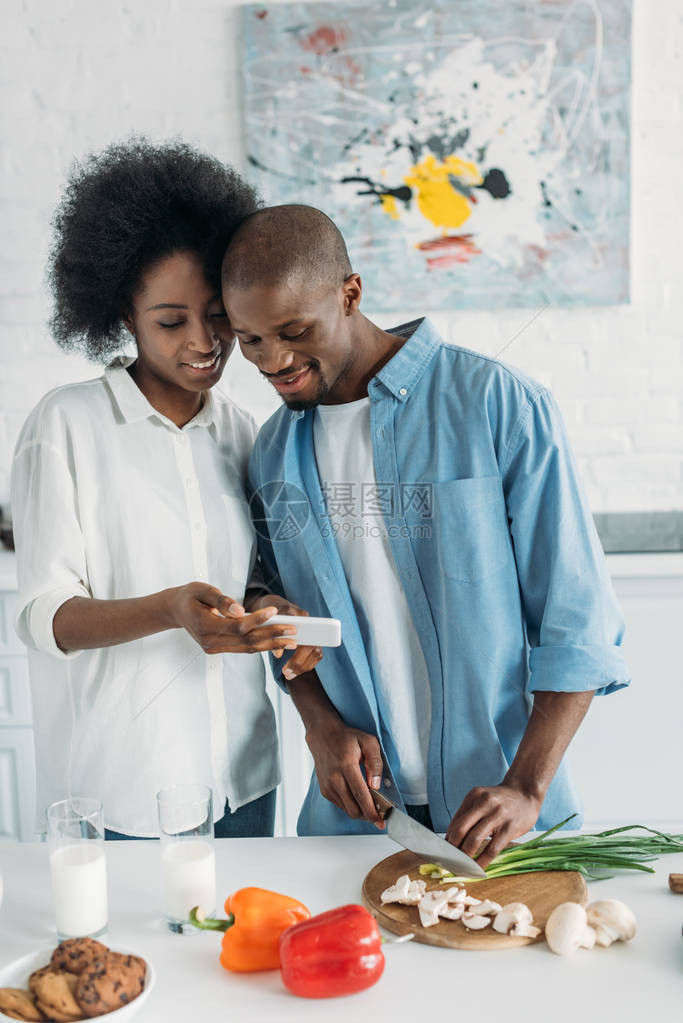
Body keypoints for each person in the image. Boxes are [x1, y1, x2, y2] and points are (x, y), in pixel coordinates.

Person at [220, 204, 631, 866]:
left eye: (293, 330)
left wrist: (525, 786)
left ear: (350, 293)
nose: (274, 361)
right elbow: (279, 619)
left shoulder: (496, 403)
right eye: (250, 340)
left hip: (499, 816)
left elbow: (575, 623)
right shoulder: (271, 454)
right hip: (354, 825)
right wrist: (320, 725)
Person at [11, 142, 321, 840]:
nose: (204, 341)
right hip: (124, 789)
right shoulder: (65, 425)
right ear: (124, 313)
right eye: (170, 320)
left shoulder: (244, 431)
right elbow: (41, 616)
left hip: (245, 779)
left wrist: (274, 613)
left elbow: (252, 583)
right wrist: (170, 609)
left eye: (217, 315)